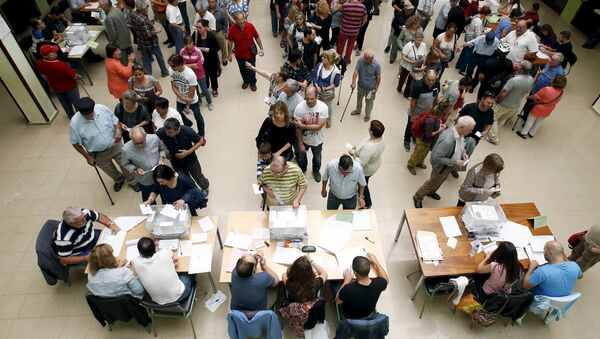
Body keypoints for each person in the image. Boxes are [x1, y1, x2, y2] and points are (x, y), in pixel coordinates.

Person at [70, 97, 135, 192]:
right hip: (98, 153)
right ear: (80, 113)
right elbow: (75, 143)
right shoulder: (75, 123)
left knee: (125, 163)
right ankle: (119, 179)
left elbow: (115, 120)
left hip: (115, 144)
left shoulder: (101, 108)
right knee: (109, 169)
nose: (91, 117)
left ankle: (132, 181)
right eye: (87, 116)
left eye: (91, 113)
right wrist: (88, 157)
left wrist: (118, 130)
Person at [412, 116, 475, 208]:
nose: (471, 132)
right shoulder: (447, 140)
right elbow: (437, 157)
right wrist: (455, 162)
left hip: (449, 165)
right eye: (470, 130)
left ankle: (431, 192)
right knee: (432, 182)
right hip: (441, 166)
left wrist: (464, 153)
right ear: (463, 127)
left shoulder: (460, 134)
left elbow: (461, 144)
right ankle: (418, 196)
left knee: (441, 180)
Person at [132, 237, 195, 304]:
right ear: (155, 246)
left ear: (140, 252)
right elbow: (175, 258)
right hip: (179, 295)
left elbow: (135, 272)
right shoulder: (164, 253)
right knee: (189, 268)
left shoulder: (136, 263)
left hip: (159, 302)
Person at [486, 60, 534, 144]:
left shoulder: (514, 80)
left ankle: (493, 138)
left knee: (493, 119)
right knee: (502, 119)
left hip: (504, 104)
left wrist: (496, 100)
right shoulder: (531, 79)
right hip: (515, 106)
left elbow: (503, 93)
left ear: (521, 69)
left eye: (519, 66)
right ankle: (495, 131)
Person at [156, 118, 210, 191]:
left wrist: (188, 152)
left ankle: (205, 187)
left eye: (170, 132)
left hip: (191, 160)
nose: (167, 134)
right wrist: (165, 150)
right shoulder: (162, 132)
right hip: (175, 161)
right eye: (166, 132)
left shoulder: (188, 131)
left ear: (178, 129)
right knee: (185, 179)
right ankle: (194, 190)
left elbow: (200, 142)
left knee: (198, 176)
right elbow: (156, 141)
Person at [54, 207, 120, 265]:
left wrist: (111, 224)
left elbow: (98, 216)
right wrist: (85, 258)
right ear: (70, 223)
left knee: (117, 240)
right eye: (81, 222)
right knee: (106, 262)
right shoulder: (64, 239)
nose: (85, 221)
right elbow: (64, 259)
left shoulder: (83, 213)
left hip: (93, 236)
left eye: (84, 218)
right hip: (83, 251)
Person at [335, 254, 389, 319]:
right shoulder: (379, 283)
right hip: (368, 314)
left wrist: (346, 280)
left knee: (334, 284)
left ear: (355, 273)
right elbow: (386, 279)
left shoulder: (348, 289)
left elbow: (337, 301)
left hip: (349, 316)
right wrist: (375, 261)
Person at [122, 127, 166, 202]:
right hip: (145, 180)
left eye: (142, 142)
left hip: (161, 176)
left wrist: (161, 158)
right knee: (149, 202)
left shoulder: (154, 138)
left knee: (166, 197)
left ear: (145, 135)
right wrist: (136, 169)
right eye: (136, 143)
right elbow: (125, 164)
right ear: (131, 138)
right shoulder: (126, 149)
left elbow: (162, 149)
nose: (140, 145)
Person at [294, 86, 329, 181]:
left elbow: (319, 126)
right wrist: (300, 143)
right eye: (307, 98)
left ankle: (316, 171)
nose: (309, 101)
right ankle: (303, 170)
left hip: (317, 140)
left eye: (312, 99)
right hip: (303, 140)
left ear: (317, 96)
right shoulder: (299, 107)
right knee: (301, 158)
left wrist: (303, 126)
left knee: (317, 159)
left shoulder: (323, 107)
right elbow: (297, 128)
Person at [407, 99, 450, 175]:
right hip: (423, 140)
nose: (449, 109)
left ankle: (419, 162)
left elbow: (435, 126)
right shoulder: (431, 120)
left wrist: (440, 126)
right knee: (418, 152)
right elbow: (428, 134)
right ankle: (411, 165)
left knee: (424, 152)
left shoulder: (437, 115)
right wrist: (440, 130)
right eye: (448, 108)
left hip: (428, 140)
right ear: (444, 109)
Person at [35, 45, 79, 119]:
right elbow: (74, 76)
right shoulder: (61, 64)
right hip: (70, 86)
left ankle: (71, 116)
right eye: (54, 51)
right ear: (50, 55)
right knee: (76, 102)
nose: (56, 52)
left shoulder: (39, 63)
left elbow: (43, 75)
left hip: (56, 87)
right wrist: (76, 75)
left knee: (65, 103)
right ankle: (80, 116)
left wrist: (50, 82)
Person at [348, 120, 385, 208]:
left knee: (363, 183)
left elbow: (360, 163)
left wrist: (353, 154)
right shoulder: (381, 137)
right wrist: (359, 149)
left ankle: (367, 202)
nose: (368, 128)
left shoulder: (369, 148)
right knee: (364, 182)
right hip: (375, 163)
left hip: (367, 170)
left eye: (369, 127)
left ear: (371, 132)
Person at [516, 75, 566, 139]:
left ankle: (523, 133)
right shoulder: (561, 92)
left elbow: (535, 97)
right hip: (549, 109)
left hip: (538, 108)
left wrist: (528, 97)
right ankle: (531, 133)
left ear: (554, 81)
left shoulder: (546, 89)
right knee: (539, 121)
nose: (552, 78)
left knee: (530, 120)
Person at [168, 54, 205, 135]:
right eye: (170, 65)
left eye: (173, 66)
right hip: (180, 99)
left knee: (198, 117)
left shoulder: (190, 74)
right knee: (179, 116)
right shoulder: (171, 70)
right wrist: (182, 98)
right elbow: (173, 86)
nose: (171, 68)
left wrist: (187, 105)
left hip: (192, 100)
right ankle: (188, 124)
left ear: (181, 64)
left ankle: (201, 134)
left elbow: (191, 92)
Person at [130, 0, 170, 77]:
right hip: (151, 43)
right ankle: (164, 72)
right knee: (159, 57)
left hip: (141, 42)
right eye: (147, 7)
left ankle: (148, 76)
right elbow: (149, 34)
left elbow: (138, 28)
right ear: (143, 9)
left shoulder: (133, 15)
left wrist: (150, 22)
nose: (147, 9)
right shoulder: (143, 20)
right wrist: (157, 31)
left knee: (146, 60)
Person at [404, 70, 440, 152]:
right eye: (429, 79)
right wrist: (413, 115)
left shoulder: (437, 83)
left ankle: (414, 137)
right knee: (410, 126)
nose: (431, 82)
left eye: (433, 80)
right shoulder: (418, 85)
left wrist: (433, 110)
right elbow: (413, 102)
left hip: (427, 113)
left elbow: (436, 97)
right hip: (416, 112)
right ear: (425, 77)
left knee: (419, 127)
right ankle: (406, 140)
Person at [227, 12, 264, 92]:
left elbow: (257, 37)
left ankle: (253, 83)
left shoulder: (250, 26)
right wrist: (229, 54)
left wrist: (261, 48)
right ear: (235, 20)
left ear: (244, 19)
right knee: (242, 70)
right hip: (239, 55)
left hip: (250, 54)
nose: (241, 21)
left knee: (251, 71)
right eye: (239, 20)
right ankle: (245, 81)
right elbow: (230, 42)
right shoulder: (232, 29)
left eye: (242, 19)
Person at [181, 35, 214, 111]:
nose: (188, 46)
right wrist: (193, 64)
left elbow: (199, 66)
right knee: (195, 89)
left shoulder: (198, 51)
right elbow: (182, 65)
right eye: (186, 44)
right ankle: (199, 101)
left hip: (199, 74)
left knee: (204, 89)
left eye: (190, 43)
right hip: (189, 75)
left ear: (193, 43)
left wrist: (187, 65)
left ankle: (209, 102)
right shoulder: (182, 51)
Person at [312, 49, 342, 128]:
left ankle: (329, 119)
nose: (322, 59)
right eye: (323, 57)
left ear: (330, 60)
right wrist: (317, 86)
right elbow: (314, 76)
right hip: (317, 89)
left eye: (324, 58)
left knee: (327, 107)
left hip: (327, 92)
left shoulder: (336, 71)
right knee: (316, 104)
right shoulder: (319, 65)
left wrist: (326, 88)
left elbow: (336, 84)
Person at [350, 49, 381, 122]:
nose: (364, 59)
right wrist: (353, 82)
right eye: (364, 57)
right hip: (361, 86)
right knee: (359, 99)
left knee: (369, 103)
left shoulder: (377, 65)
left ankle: (367, 115)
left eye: (366, 58)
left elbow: (378, 77)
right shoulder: (360, 61)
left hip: (371, 89)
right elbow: (356, 71)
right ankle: (358, 110)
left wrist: (375, 88)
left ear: (372, 59)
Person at [193, 19, 221, 98]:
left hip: (211, 60)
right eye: (197, 27)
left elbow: (217, 48)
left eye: (200, 27)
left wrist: (209, 50)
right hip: (201, 61)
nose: (198, 29)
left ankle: (214, 88)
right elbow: (191, 43)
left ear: (205, 27)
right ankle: (205, 89)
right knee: (203, 76)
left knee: (213, 75)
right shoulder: (195, 35)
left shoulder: (211, 36)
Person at [100, 0, 132, 66]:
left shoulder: (109, 18)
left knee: (125, 64)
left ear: (106, 6)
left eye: (101, 5)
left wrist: (111, 45)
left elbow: (112, 35)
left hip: (119, 44)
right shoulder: (118, 9)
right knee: (131, 60)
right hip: (127, 39)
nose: (100, 7)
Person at [396, 31, 427, 99]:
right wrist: (411, 61)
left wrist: (421, 62)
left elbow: (425, 55)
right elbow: (403, 57)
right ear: (414, 38)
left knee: (410, 81)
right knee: (402, 79)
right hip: (407, 66)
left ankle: (406, 94)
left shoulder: (423, 45)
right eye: (418, 40)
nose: (419, 42)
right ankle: (399, 88)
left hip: (416, 67)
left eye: (420, 40)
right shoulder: (409, 45)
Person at [336, 0, 367, 65]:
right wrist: (360, 25)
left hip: (344, 29)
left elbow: (339, 13)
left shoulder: (345, 5)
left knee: (341, 44)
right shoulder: (362, 7)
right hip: (355, 31)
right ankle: (347, 60)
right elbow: (365, 19)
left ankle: (338, 59)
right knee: (350, 46)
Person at [208, 0, 229, 66]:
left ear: (216, 2)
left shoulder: (221, 11)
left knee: (222, 43)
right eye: (210, 2)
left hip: (218, 31)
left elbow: (225, 22)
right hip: (209, 31)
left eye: (213, 2)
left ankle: (224, 58)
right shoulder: (206, 11)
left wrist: (224, 32)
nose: (211, 3)